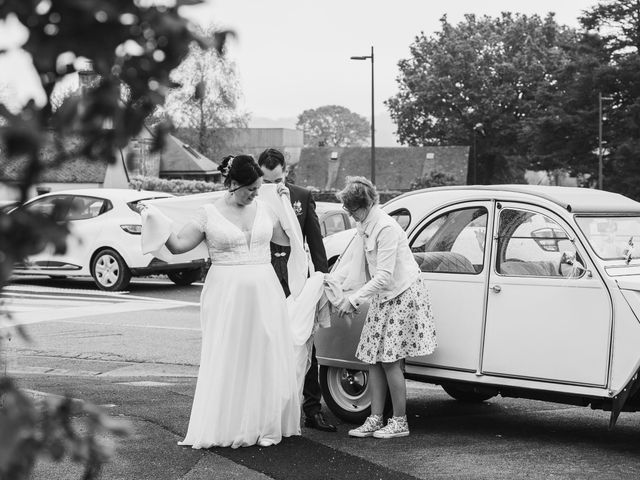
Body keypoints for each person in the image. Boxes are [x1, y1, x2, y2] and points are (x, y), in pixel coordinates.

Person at [163, 154, 300, 448]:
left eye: (258, 188)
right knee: (230, 353)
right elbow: (177, 246)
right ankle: (231, 424)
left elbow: (288, 241)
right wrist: (154, 223)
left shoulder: (265, 207)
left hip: (266, 292)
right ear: (233, 183)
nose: (254, 194)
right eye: (250, 189)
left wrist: (285, 207)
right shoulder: (208, 213)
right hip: (226, 294)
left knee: (265, 353)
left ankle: (263, 423)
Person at [333, 176, 437, 439]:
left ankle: (400, 421)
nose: (351, 215)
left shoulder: (386, 227)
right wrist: (336, 285)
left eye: (352, 209)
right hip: (384, 295)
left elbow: (385, 276)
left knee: (390, 360)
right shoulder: (365, 224)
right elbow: (357, 265)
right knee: (373, 358)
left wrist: (354, 299)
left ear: (364, 205)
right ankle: (375, 419)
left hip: (402, 293)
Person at [257, 148, 337, 433]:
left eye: (277, 180)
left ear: (286, 172)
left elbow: (315, 240)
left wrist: (322, 277)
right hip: (264, 273)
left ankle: (312, 409)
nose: (272, 186)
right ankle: (267, 408)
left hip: (296, 275)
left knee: (304, 340)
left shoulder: (302, 196)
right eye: (266, 181)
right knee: (266, 340)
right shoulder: (253, 197)